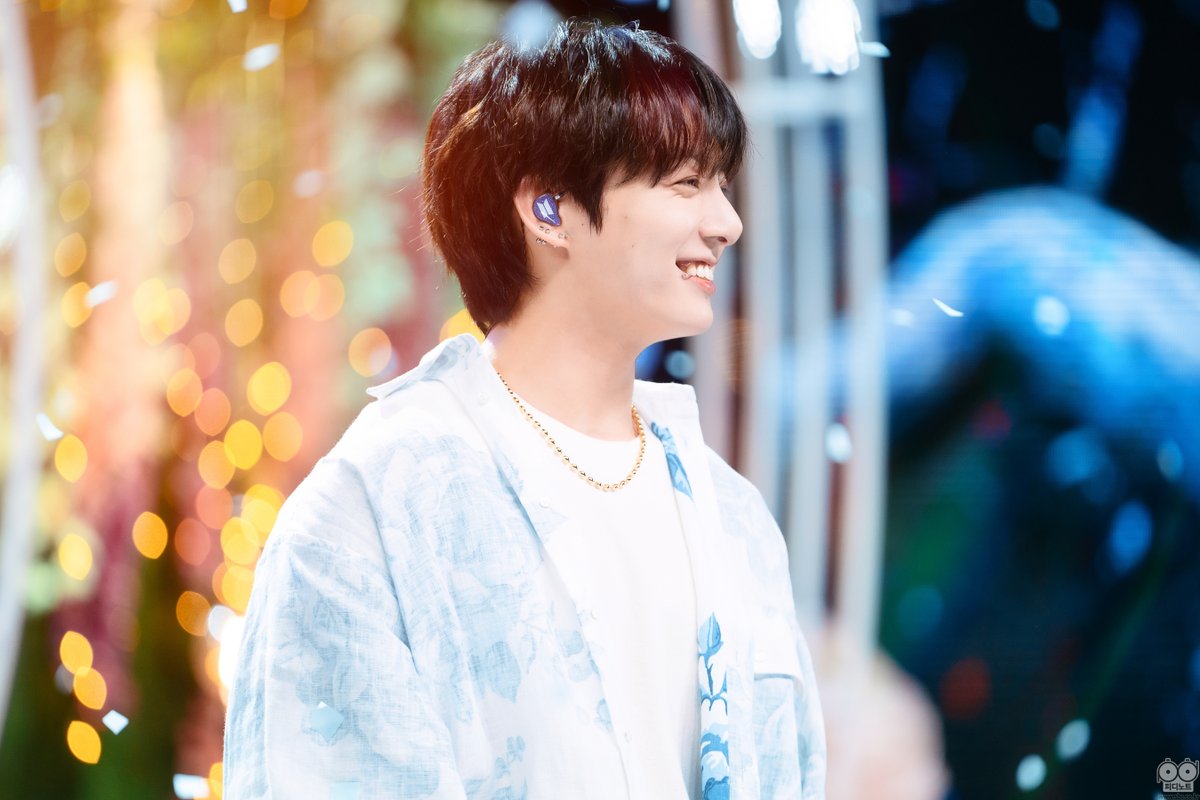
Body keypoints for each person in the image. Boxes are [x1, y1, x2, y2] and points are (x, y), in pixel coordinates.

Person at [223, 18, 825, 800]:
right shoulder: (377, 505)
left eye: (722, 186)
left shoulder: (733, 517)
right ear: (548, 208)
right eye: (686, 183)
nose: (727, 223)